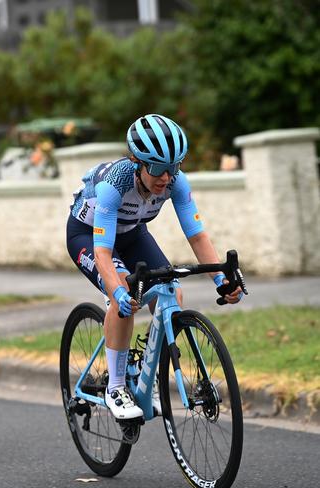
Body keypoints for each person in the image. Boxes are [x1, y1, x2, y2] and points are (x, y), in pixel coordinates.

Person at [66, 114, 243, 420]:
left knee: (171, 290)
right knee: (125, 294)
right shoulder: (114, 185)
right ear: (137, 162)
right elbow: (104, 253)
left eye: (174, 167)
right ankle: (116, 387)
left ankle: (141, 363)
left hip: (133, 233)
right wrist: (118, 293)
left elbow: (197, 236)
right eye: (159, 168)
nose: (166, 177)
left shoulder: (175, 181)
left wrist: (221, 280)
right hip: (88, 235)